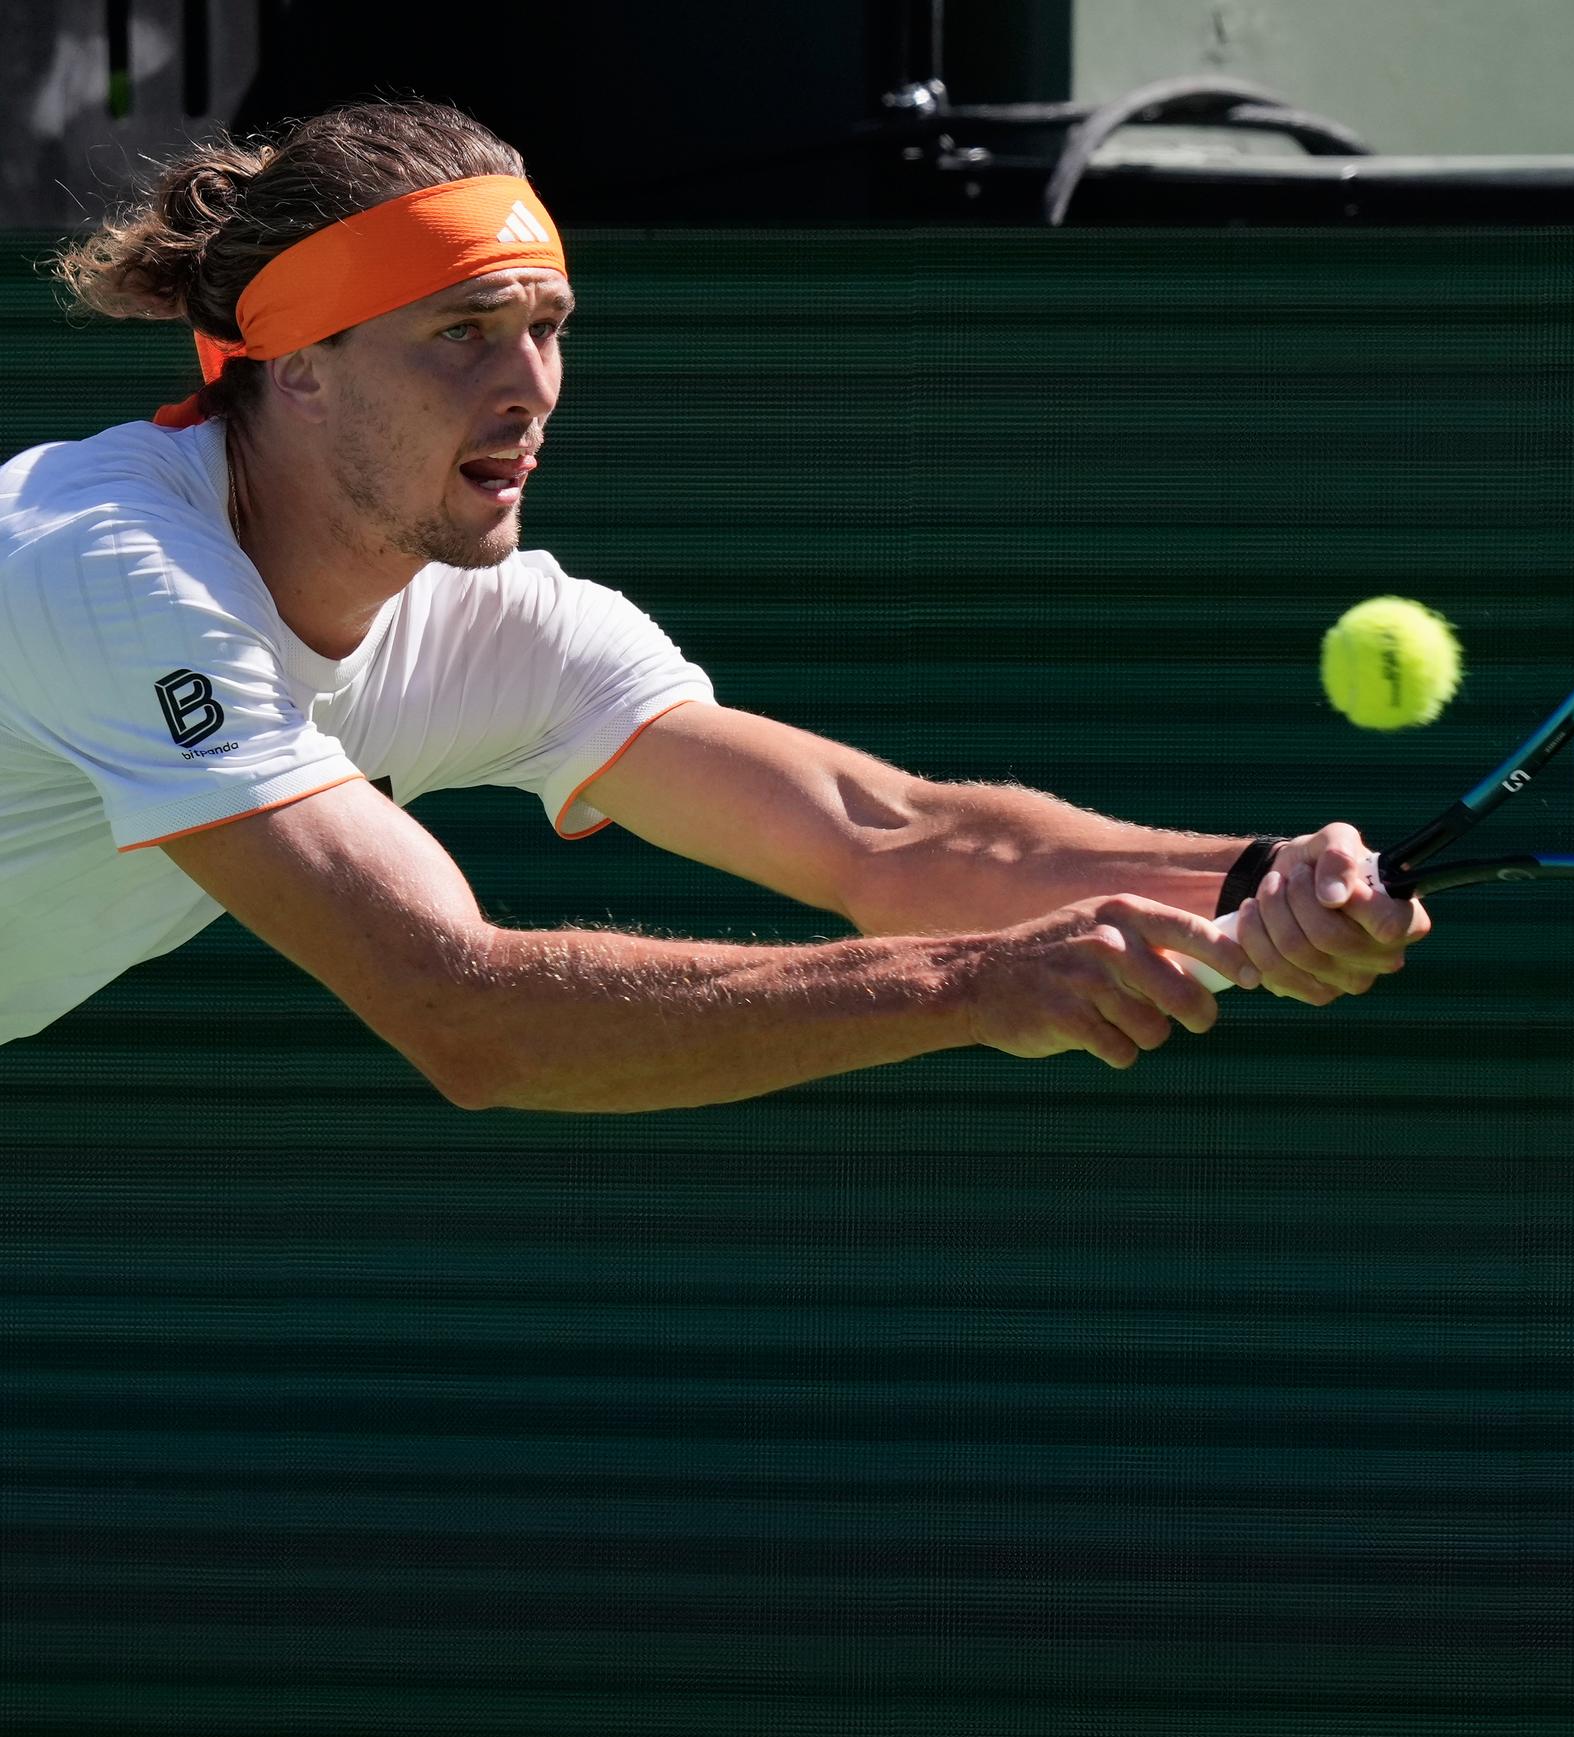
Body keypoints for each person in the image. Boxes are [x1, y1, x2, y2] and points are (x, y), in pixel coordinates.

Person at [0, 99, 1430, 1111]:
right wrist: (964, 990)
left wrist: (1257, 887)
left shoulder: (498, 623)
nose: (531, 388)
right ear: (297, 365)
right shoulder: (115, 572)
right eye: (463, 334)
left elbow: (896, 836)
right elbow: (467, 1017)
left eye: (547, 328)